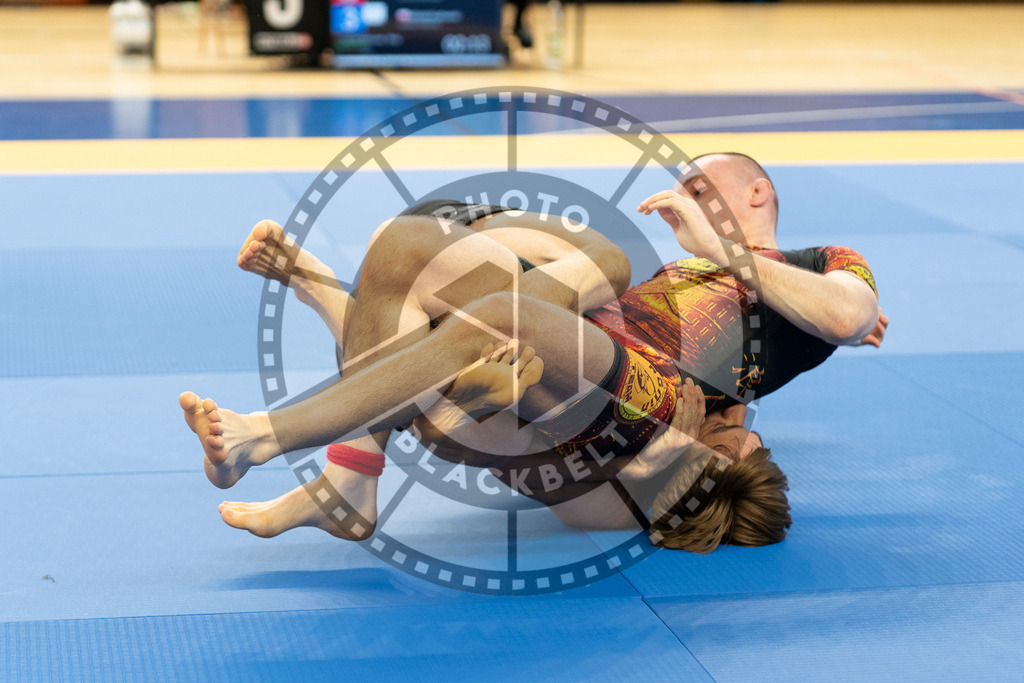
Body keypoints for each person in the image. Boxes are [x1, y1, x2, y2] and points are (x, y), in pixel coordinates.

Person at [180, 152, 886, 553]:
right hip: (574, 358)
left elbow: (850, 315)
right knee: (401, 247)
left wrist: (718, 249)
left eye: (697, 186)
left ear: (758, 192)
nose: (681, 197)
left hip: (598, 379)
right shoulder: (706, 331)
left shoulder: (811, 269)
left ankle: (272, 432)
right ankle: (365, 466)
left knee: (578, 274)